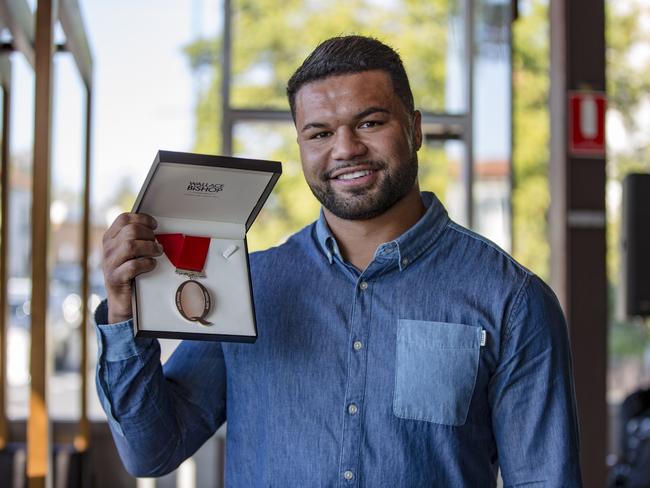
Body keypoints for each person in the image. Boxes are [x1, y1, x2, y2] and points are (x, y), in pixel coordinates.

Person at [97, 35, 582, 486]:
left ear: (415, 129)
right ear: (302, 146)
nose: (345, 149)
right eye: (320, 133)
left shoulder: (511, 300)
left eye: (370, 122)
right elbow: (152, 452)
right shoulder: (252, 286)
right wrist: (123, 314)